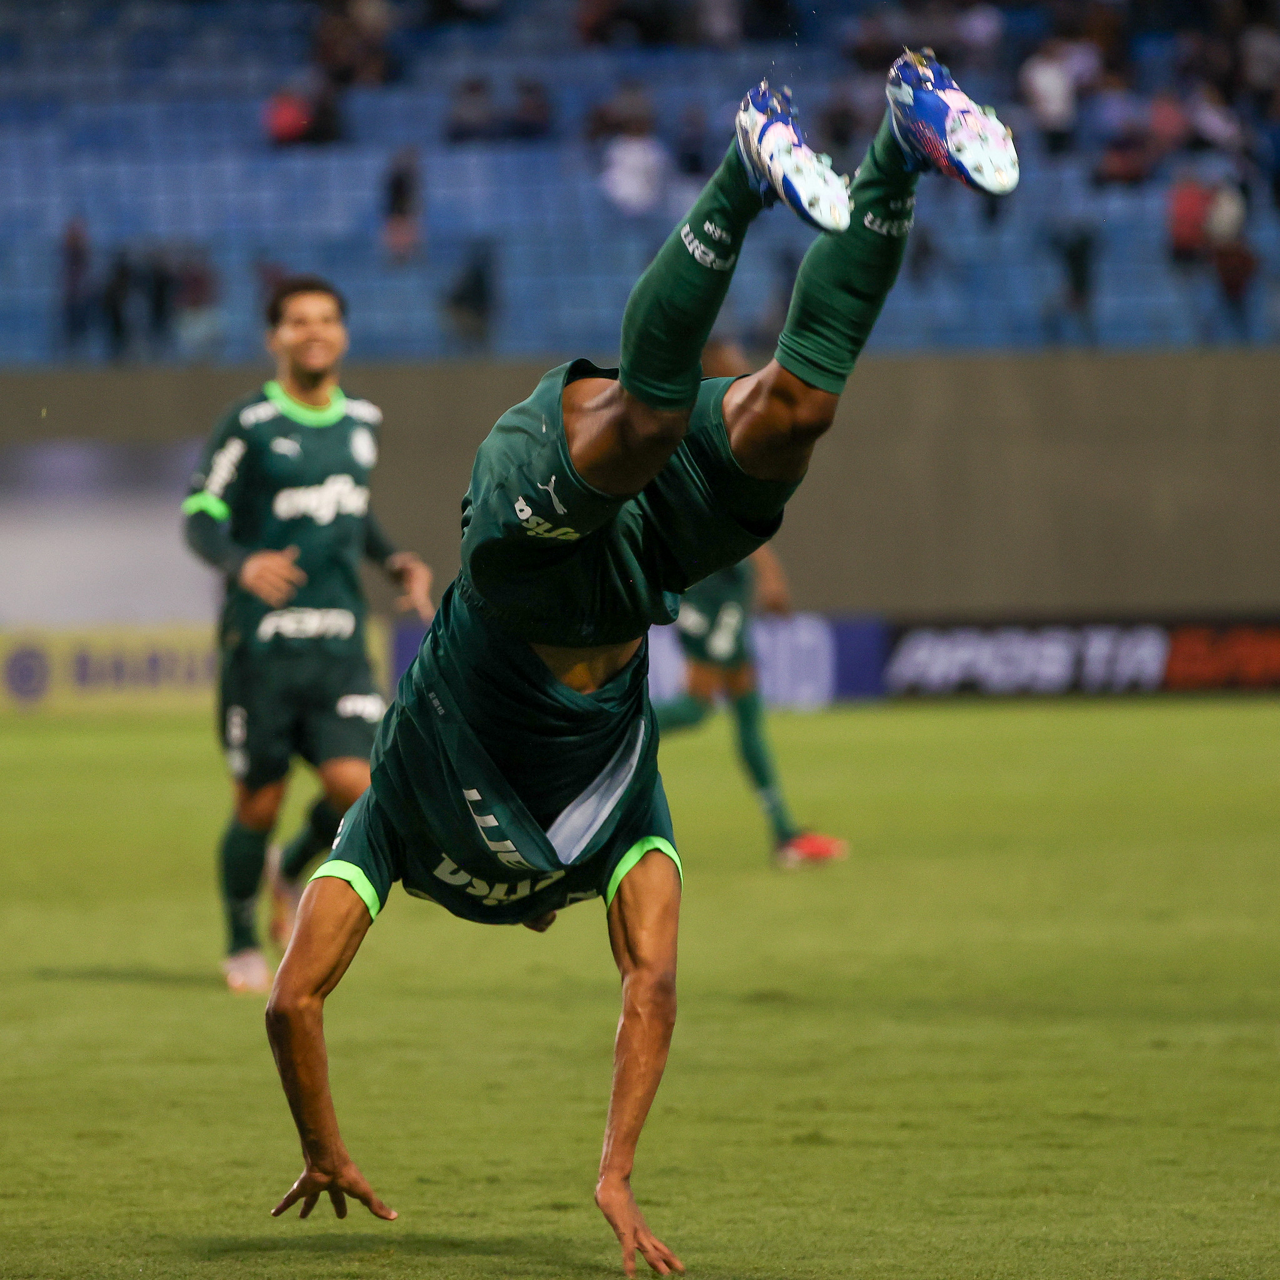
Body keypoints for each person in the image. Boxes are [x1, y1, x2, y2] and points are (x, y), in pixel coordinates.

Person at [265, 54, 1015, 1277]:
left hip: (513, 563)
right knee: (792, 412)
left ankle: (742, 166)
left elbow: (290, 996)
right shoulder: (624, 821)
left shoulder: (391, 814)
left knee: (648, 419)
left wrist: (321, 1145)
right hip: (638, 574)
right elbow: (650, 984)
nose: (547, 901)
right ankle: (899, 142)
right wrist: (612, 1173)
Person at [182, 275, 434, 994]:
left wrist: (392, 560)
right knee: (256, 803)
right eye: (298, 321)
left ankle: (290, 867)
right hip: (263, 652)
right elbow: (200, 512)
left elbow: (350, 510)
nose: (314, 331)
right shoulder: (250, 422)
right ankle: (240, 942)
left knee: (365, 791)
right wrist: (241, 561)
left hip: (341, 648)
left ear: (343, 334)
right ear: (275, 338)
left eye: (326, 319)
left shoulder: (362, 420)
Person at [655, 338, 847, 868]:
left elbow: (742, 513)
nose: (746, 370)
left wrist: (766, 573)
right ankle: (594, 731)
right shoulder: (692, 427)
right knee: (696, 705)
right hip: (708, 588)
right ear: (710, 370)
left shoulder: (729, 420)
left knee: (746, 703)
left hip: (730, 583)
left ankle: (785, 832)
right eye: (734, 363)